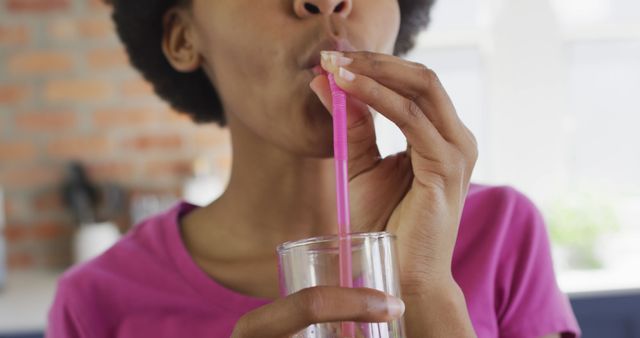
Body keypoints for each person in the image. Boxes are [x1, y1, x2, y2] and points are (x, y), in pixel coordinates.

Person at [47, 0, 581, 337]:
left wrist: (423, 292)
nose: (327, 1)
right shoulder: (97, 305)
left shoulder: (504, 232)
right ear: (184, 37)